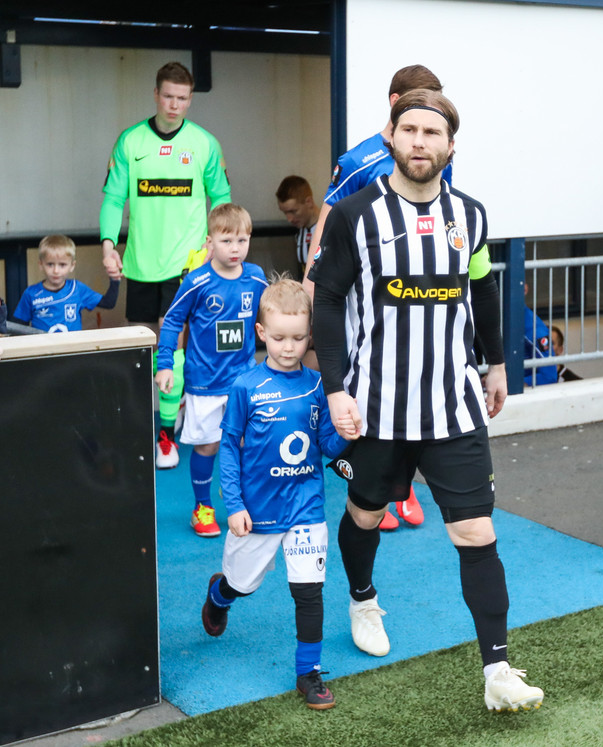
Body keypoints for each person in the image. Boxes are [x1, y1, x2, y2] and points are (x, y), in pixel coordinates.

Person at [309, 88, 544, 713]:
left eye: (431, 132)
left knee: (476, 530)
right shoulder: (354, 214)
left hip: (453, 406)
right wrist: (335, 389)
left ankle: (497, 669)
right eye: (409, 129)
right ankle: (363, 598)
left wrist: (497, 364)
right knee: (364, 515)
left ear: (450, 145)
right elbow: (326, 301)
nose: (419, 141)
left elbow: (483, 291)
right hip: (375, 407)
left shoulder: (471, 216)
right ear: (391, 136)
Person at [302, 64, 448, 530]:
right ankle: (370, 483)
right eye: (420, 102)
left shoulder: (438, 153)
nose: (428, 121)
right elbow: (326, 224)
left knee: (412, 381)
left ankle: (403, 486)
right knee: (366, 381)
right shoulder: (359, 160)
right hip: (361, 296)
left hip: (416, 296)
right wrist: (309, 287)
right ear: (395, 103)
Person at [200, 276, 354, 710]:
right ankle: (220, 595)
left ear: (310, 335)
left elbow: (327, 445)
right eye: (280, 338)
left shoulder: (319, 386)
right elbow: (229, 448)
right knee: (242, 584)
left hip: (306, 507)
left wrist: (347, 433)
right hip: (258, 511)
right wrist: (234, 505)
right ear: (261, 332)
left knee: (309, 593)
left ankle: (309, 673)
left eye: (299, 338)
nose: (289, 347)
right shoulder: (245, 386)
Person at [100, 61, 231, 470]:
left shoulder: (205, 144)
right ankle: (148, 423)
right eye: (168, 96)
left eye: (182, 98)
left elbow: (221, 199)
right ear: (156, 95)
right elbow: (113, 198)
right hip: (140, 263)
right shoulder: (130, 141)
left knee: (171, 347)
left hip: (186, 265)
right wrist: (108, 246)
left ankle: (166, 435)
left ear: (190, 99)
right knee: (145, 350)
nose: (174, 104)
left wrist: (215, 244)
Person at [155, 203, 267, 537]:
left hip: (244, 381)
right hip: (204, 382)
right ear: (210, 242)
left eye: (242, 240)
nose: (235, 248)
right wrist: (165, 364)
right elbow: (172, 320)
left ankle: (243, 501)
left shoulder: (256, 277)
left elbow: (269, 316)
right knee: (208, 447)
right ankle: (202, 507)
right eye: (226, 241)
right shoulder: (197, 280)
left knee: (248, 443)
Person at [13, 234, 120, 333]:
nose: (56, 271)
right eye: (50, 264)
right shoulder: (31, 293)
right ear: (41, 265)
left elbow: (108, 303)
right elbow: (18, 327)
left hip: (73, 347)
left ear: (72, 266)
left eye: (62, 265)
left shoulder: (77, 289)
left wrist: (115, 279)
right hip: (42, 348)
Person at [275, 175, 321, 280]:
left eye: (293, 211)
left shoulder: (329, 228)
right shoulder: (300, 231)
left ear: (309, 202)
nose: (289, 219)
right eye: (285, 213)